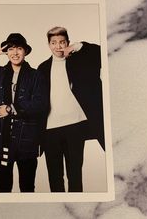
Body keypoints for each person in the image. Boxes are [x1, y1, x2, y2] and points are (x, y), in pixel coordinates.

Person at [0, 33, 47, 192]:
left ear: (25, 51)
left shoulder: (36, 76)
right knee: (3, 188)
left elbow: (40, 104)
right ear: (6, 52)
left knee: (27, 189)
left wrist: (11, 109)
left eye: (19, 48)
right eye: (11, 49)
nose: (15, 53)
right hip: (1, 142)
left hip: (26, 142)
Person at [37, 26, 105, 192]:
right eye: (54, 43)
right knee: (54, 178)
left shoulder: (80, 61)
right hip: (49, 130)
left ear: (67, 42)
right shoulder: (42, 68)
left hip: (76, 126)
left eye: (62, 42)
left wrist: (79, 46)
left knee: (75, 176)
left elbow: (102, 54)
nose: (58, 46)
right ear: (48, 45)